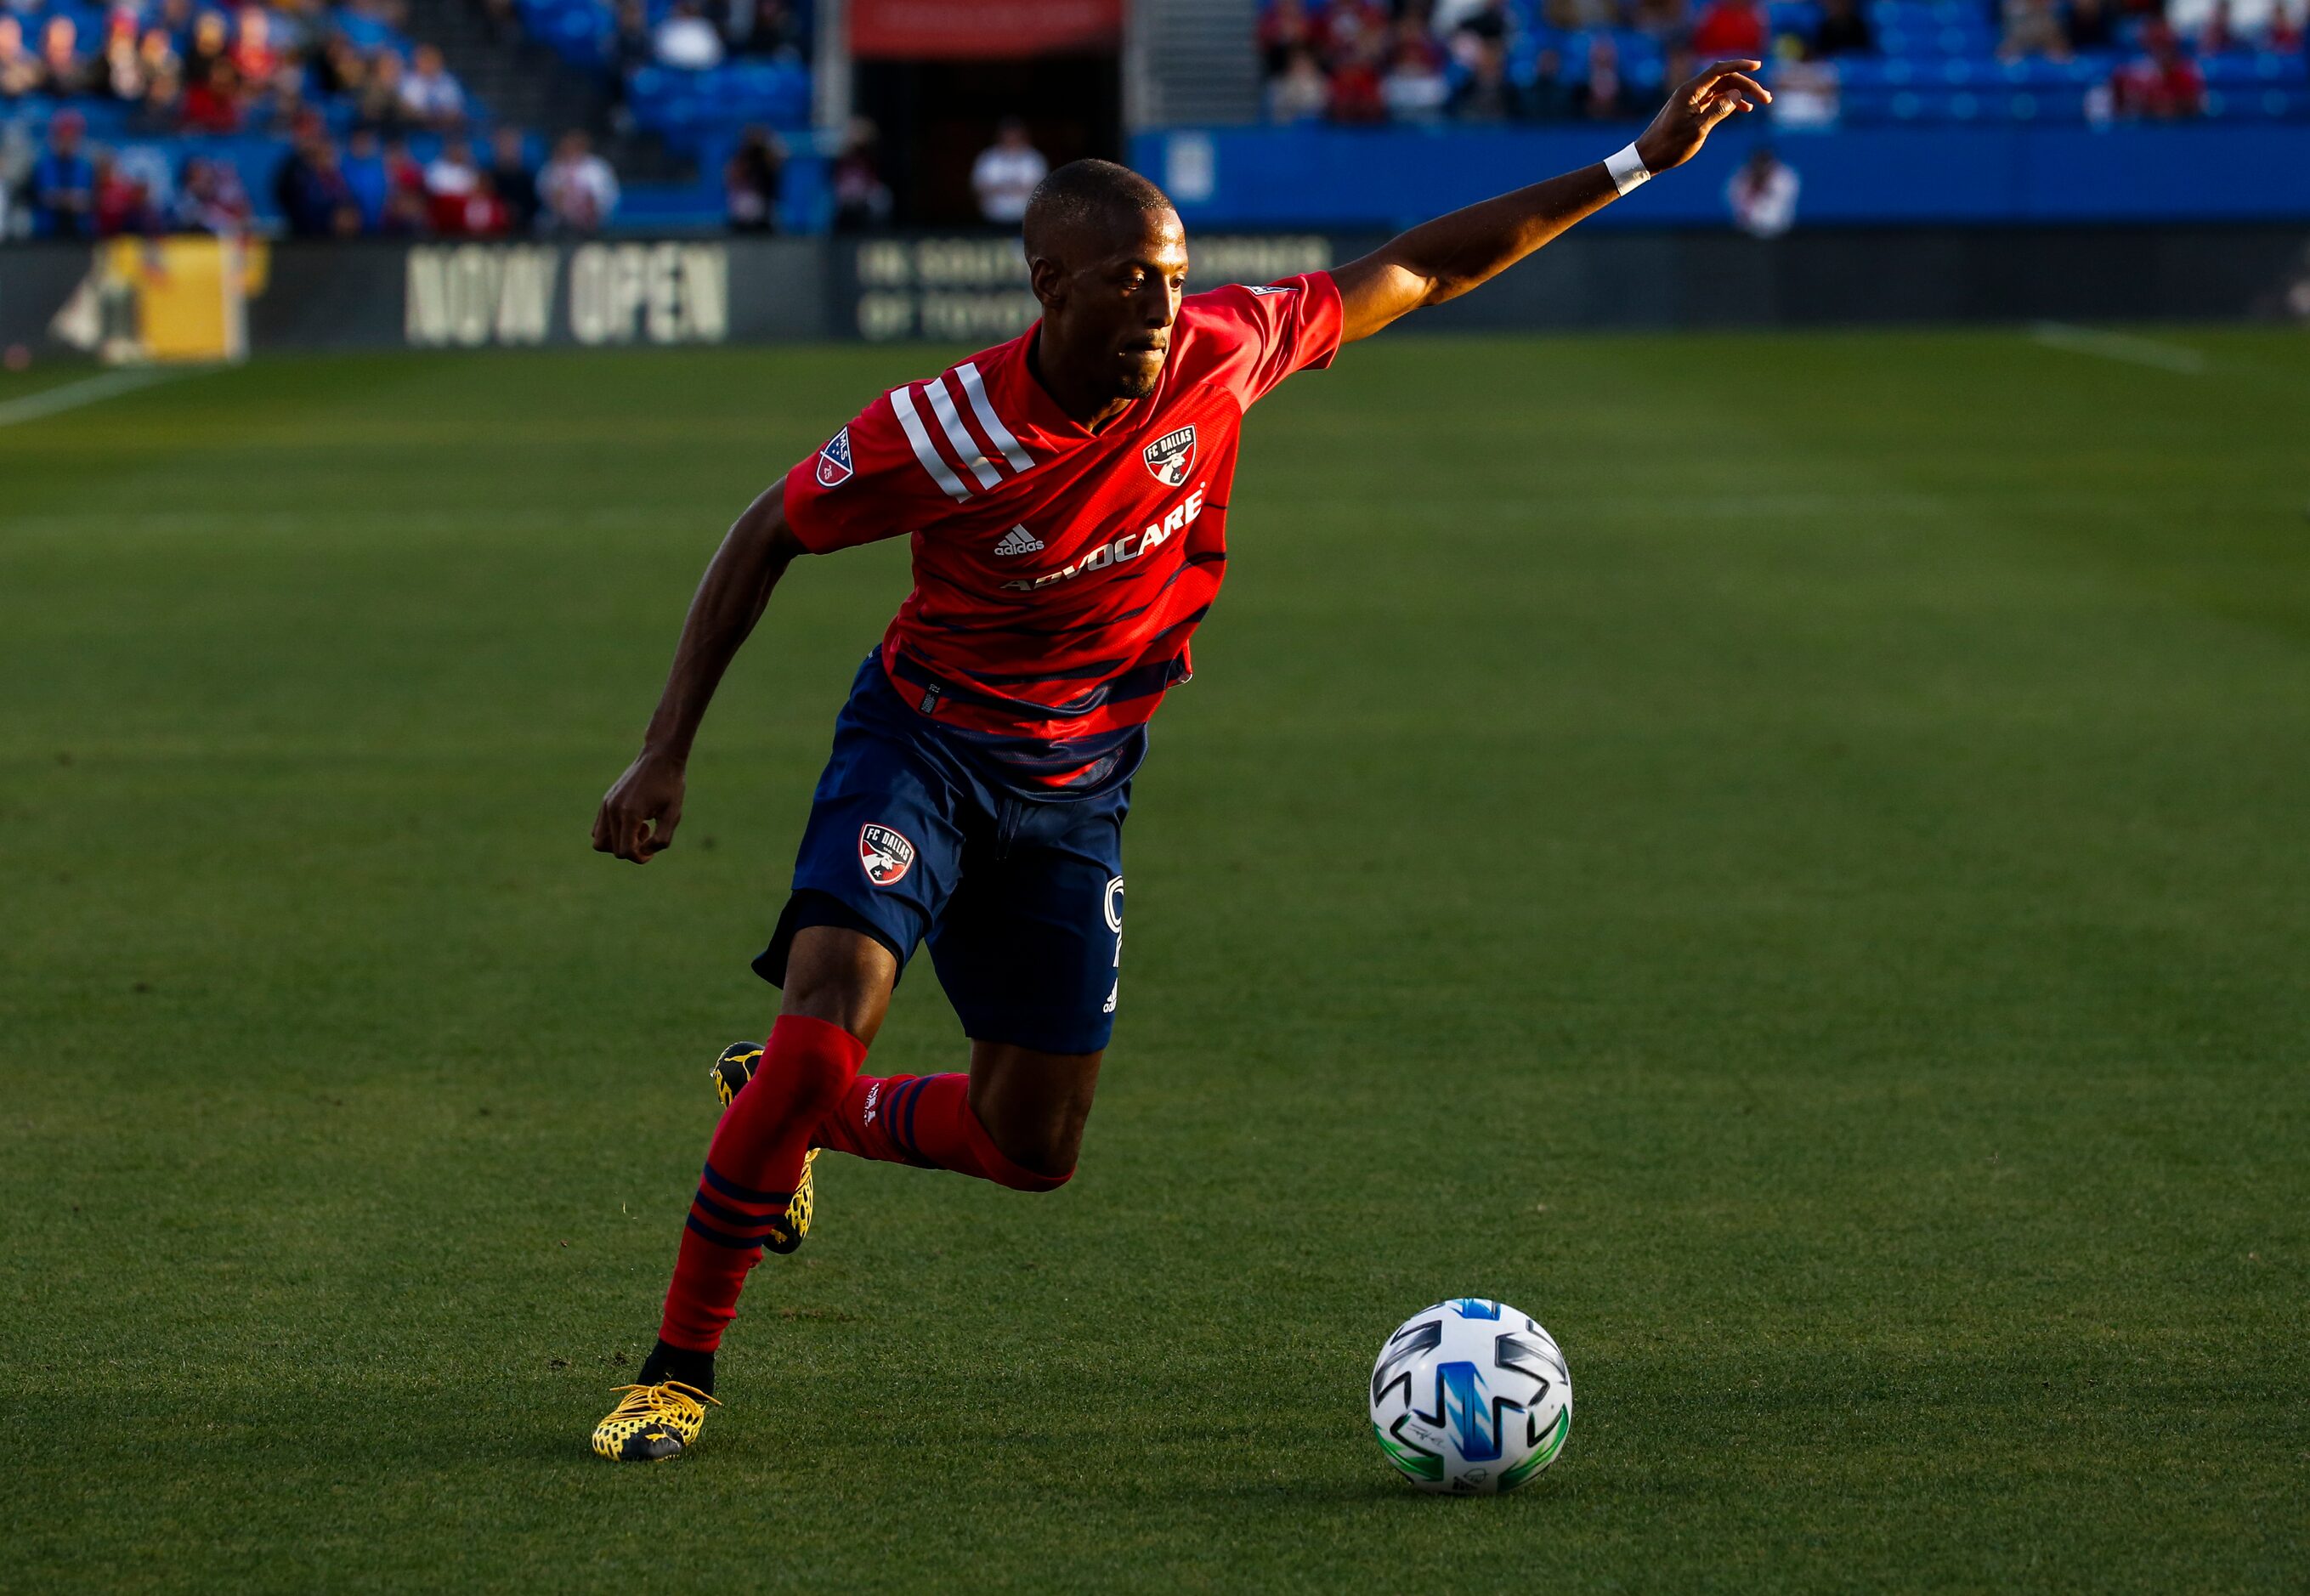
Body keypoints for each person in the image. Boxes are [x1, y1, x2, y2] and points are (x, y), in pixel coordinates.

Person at [583, 58, 1774, 1463]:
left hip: (1079, 779)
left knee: (1034, 1142)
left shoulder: (1223, 348)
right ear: (1048, 283)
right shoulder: (941, 430)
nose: (1162, 300)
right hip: (921, 743)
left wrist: (1633, 163)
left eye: (1171, 273)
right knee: (824, 1012)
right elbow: (763, 533)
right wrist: (664, 752)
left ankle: (805, 1120)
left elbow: (1424, 269)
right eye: (1130, 279)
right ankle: (677, 1368)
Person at [971, 117, 1046, 227]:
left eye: (1015, 136)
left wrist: (1002, 188)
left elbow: (1042, 191)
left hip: (1026, 221)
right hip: (992, 219)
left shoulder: (1034, 159)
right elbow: (978, 188)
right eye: (1007, 135)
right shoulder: (988, 158)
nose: (1011, 139)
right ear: (1000, 136)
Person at [540, 127, 618, 229]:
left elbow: (607, 196)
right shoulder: (552, 168)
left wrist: (591, 207)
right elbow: (545, 197)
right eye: (568, 145)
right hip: (560, 224)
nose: (571, 149)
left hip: (593, 223)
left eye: (575, 145)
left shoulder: (597, 167)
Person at [1727, 144, 1798, 235]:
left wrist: (1763, 186)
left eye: (1765, 163)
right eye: (1759, 163)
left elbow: (1781, 204)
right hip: (1746, 234)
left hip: (1780, 232)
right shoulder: (1742, 176)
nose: (1761, 167)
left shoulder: (1784, 177)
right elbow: (1732, 197)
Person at [723, 124, 782, 231]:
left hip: (763, 204)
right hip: (746, 201)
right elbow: (732, 174)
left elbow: (777, 161)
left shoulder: (767, 156)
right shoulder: (743, 156)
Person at [397, 43, 465, 129]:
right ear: (417, 61)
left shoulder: (449, 81)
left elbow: (455, 108)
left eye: (432, 60)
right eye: (425, 59)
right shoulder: (406, 81)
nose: (429, 64)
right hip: (414, 127)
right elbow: (405, 109)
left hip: (444, 127)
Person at [489, 127, 538, 232]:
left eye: (511, 144)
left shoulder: (526, 178)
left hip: (523, 229)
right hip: (494, 230)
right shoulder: (488, 178)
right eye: (503, 144)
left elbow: (533, 206)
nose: (507, 148)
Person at [653, 0, 724, 68]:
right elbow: (661, 54)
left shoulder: (705, 26)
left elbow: (715, 54)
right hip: (673, 70)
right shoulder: (667, 27)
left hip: (702, 70)